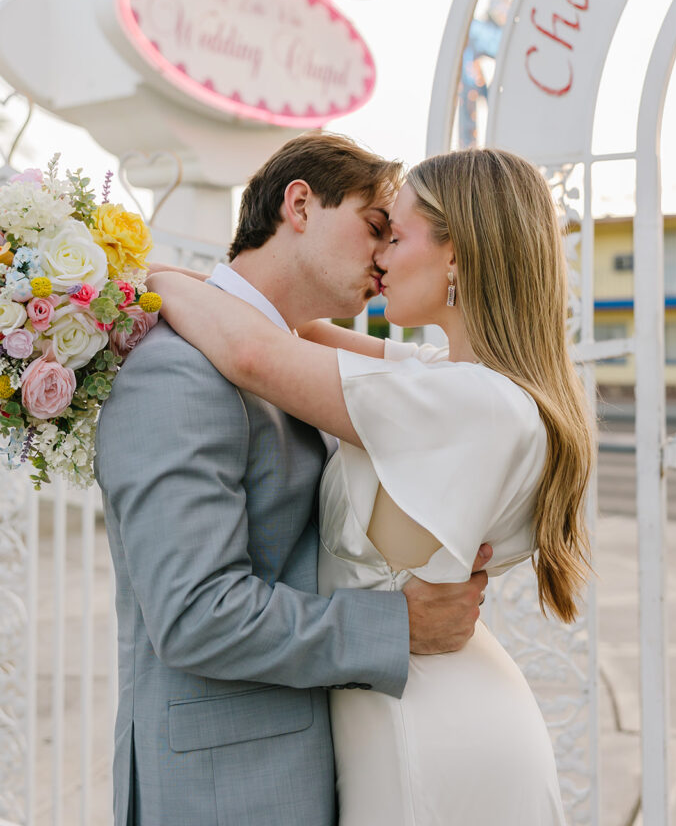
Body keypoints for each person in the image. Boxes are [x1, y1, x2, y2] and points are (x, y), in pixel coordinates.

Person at [149, 145, 594, 826]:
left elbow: (253, 353)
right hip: (402, 701)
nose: (381, 252)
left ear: (456, 254)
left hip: (428, 727)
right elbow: (292, 328)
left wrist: (138, 278)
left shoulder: (463, 402)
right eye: (376, 229)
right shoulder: (450, 380)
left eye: (398, 233)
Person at [95, 132, 491, 826]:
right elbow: (195, 616)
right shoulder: (179, 369)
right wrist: (396, 625)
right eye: (375, 227)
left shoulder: (288, 362)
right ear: (300, 205)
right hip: (229, 789)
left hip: (324, 762)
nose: (385, 255)